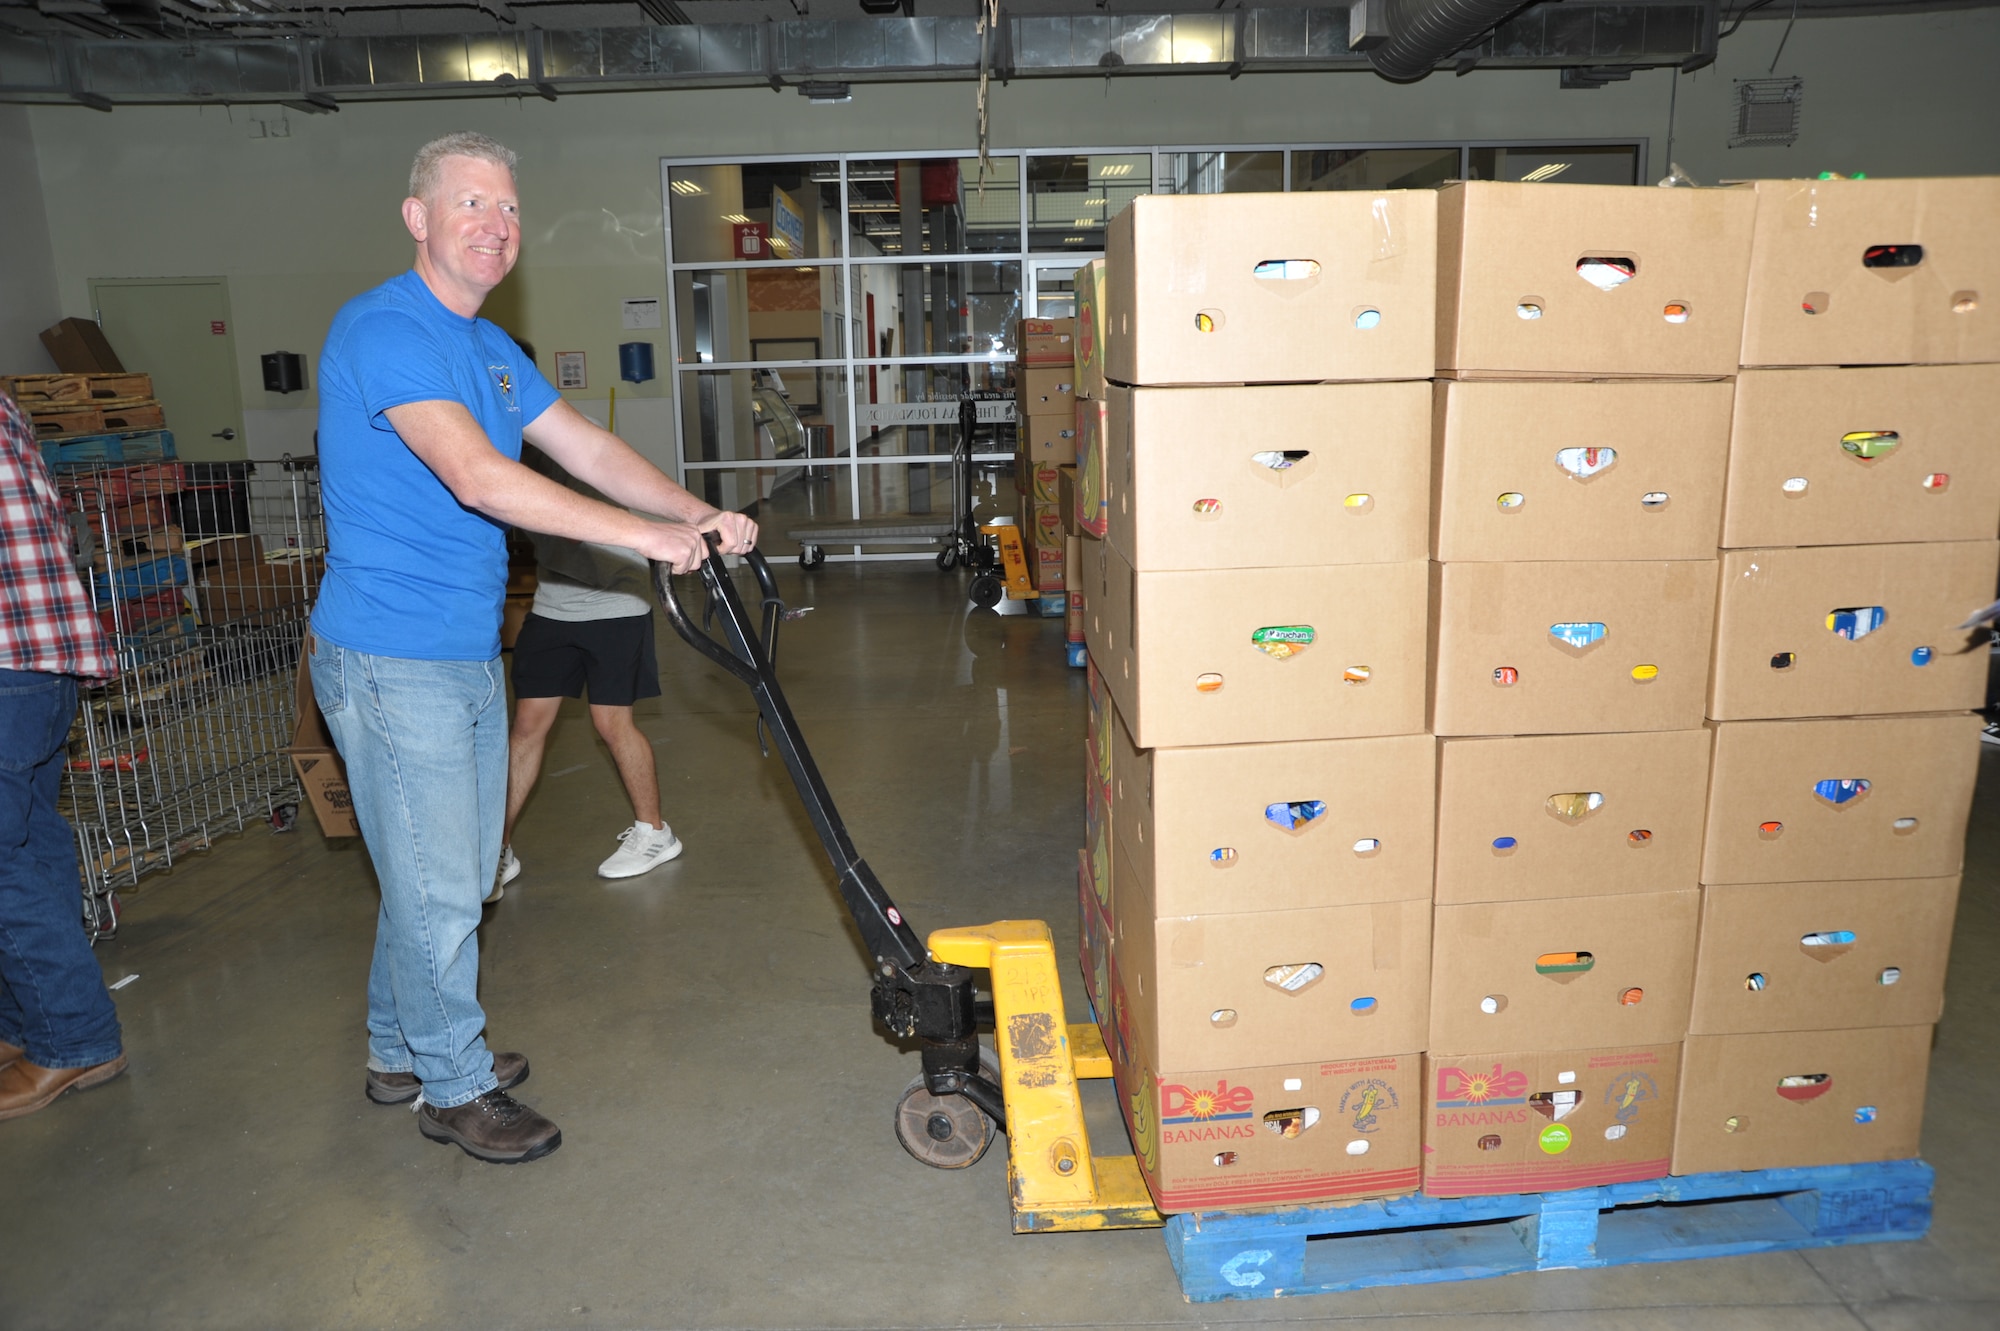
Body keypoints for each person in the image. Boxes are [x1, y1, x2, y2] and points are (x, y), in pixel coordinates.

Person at [310, 131, 756, 1165]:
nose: (495, 226)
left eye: (507, 209)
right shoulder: (385, 328)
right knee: (438, 882)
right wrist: (640, 537)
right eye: (470, 204)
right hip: (388, 652)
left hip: (463, 646)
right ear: (417, 216)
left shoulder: (487, 348)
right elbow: (479, 476)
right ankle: (453, 1084)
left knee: (449, 873)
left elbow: (586, 448)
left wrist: (698, 511)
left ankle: (398, 1047)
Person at [0, 386, 128, 1122]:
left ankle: (74, 1035)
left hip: (8, 664)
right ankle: (31, 1022)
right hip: (40, 662)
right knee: (32, 838)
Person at [495, 448, 681, 900]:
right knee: (526, 727)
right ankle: (495, 850)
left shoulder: (556, 452)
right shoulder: (498, 453)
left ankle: (655, 834)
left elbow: (573, 525)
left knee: (610, 723)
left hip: (615, 596)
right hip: (555, 600)